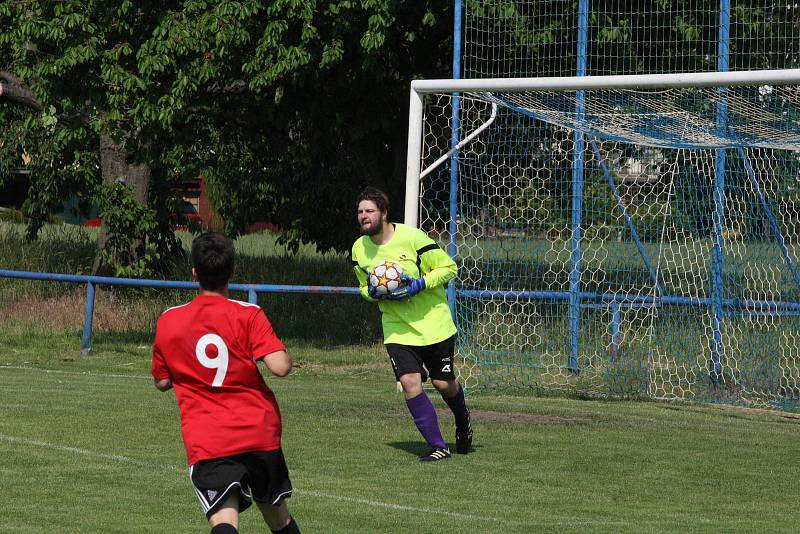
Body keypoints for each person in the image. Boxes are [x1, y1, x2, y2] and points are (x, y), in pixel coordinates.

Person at [151, 232, 300, 534]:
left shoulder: (170, 319)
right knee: (277, 516)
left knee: (224, 518)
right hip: (258, 430)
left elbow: (163, 381)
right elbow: (280, 367)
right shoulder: (248, 313)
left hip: (209, 437)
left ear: (194, 272)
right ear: (232, 273)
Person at [351, 186, 473, 462]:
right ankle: (437, 445)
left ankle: (463, 418)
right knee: (409, 382)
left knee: (444, 384)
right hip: (397, 327)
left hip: (433, 323)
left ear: (383, 213)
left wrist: (419, 284)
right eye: (360, 212)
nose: (363, 216)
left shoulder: (412, 238)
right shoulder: (359, 249)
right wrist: (372, 292)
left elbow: (449, 268)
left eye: (369, 211)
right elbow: (362, 287)